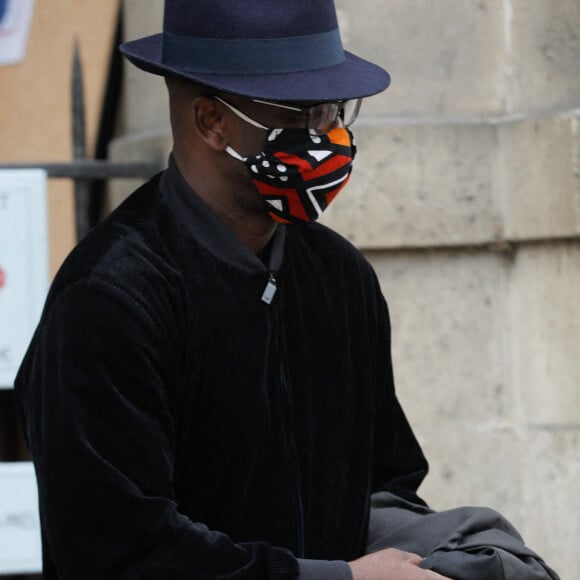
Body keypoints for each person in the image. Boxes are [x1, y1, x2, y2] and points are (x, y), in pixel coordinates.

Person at [15, 1, 453, 578]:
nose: (327, 136)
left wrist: (452, 547)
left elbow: (384, 483)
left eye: (333, 111)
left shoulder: (341, 277)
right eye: (298, 114)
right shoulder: (109, 299)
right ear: (211, 123)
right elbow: (118, 550)